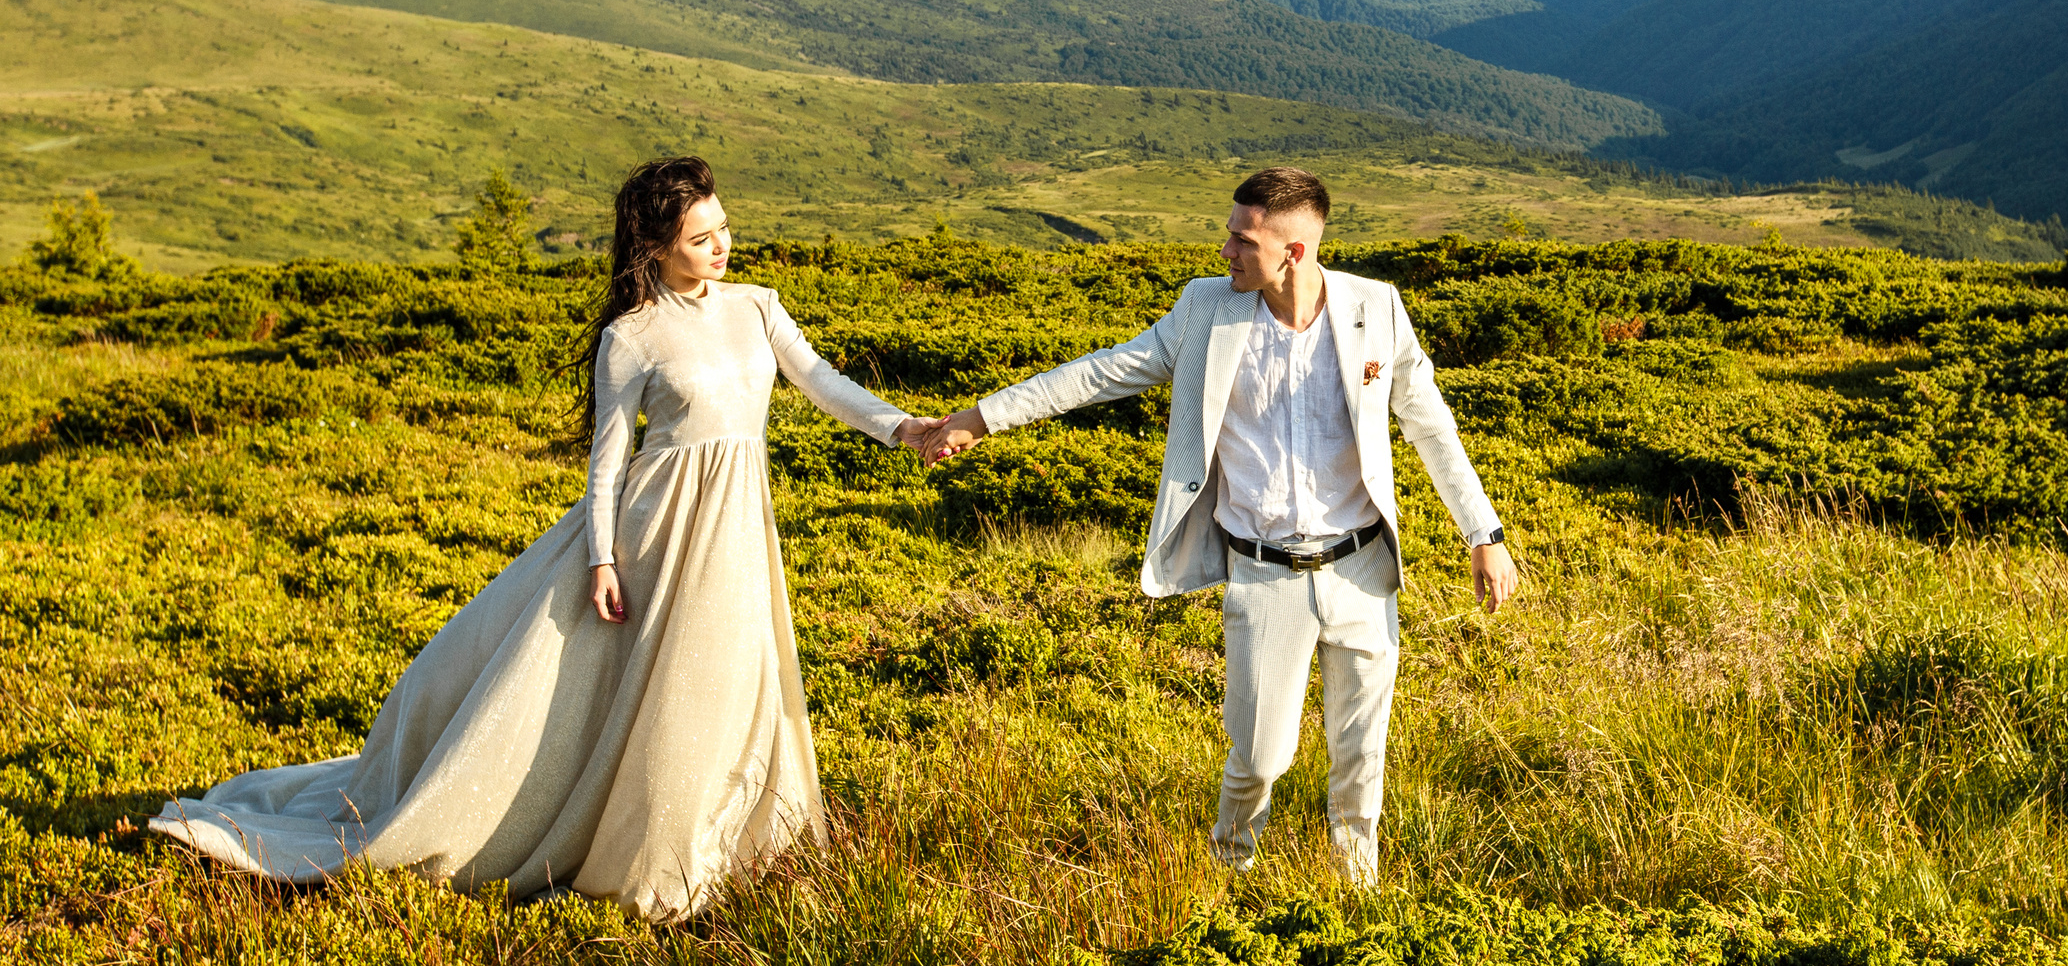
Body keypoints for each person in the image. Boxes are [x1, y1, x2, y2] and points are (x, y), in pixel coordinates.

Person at [151, 156, 939, 918]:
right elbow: (608, 463)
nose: (721, 246)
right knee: (661, 688)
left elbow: (822, 380)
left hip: (736, 526)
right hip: (654, 535)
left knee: (733, 673)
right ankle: (652, 852)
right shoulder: (632, 336)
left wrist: (903, 426)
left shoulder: (757, 306)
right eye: (701, 238)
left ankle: (733, 836)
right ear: (655, 247)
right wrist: (601, 558)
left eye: (723, 228)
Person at [923, 165, 1516, 884]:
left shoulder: (1376, 307)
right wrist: (983, 417)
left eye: (1242, 239)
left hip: (1362, 568)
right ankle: (1229, 871)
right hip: (1262, 572)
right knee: (1259, 758)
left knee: (1361, 756)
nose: (1226, 250)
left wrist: (1482, 533)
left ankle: (1354, 890)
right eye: (1230, 234)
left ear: (1293, 251)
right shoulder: (1207, 310)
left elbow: (1430, 425)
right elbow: (1103, 372)